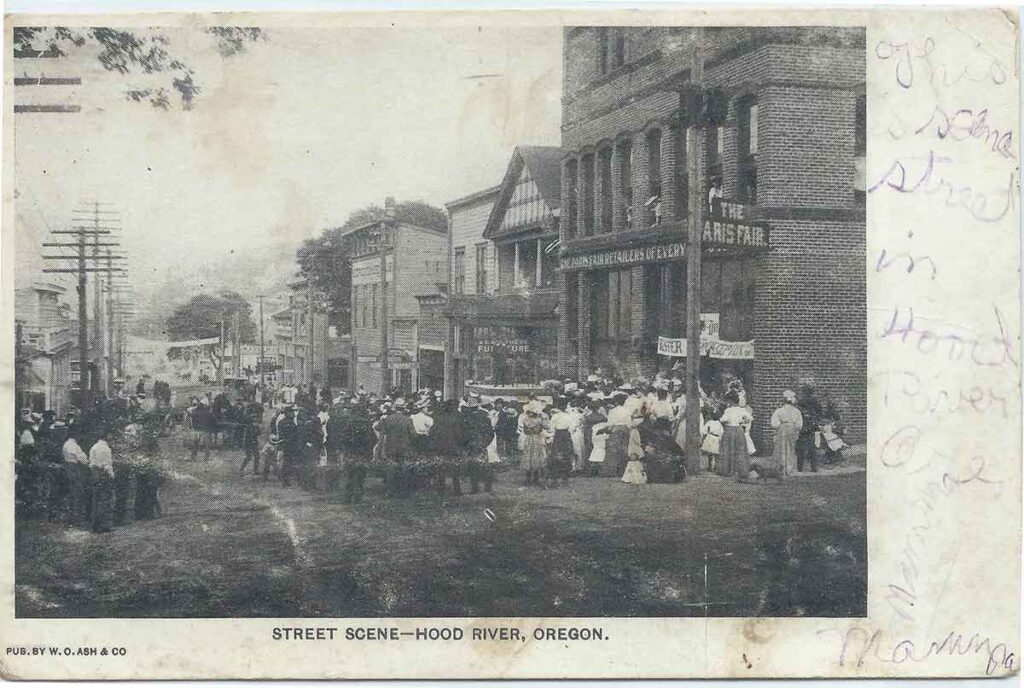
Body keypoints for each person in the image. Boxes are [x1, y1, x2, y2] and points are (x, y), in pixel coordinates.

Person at [378, 398, 417, 497]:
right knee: (404, 468)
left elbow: (382, 434)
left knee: (391, 469)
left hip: (391, 447)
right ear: (404, 408)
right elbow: (413, 435)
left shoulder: (387, 419)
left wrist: (380, 449)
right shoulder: (408, 419)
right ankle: (403, 491)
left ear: (394, 408)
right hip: (404, 447)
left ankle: (390, 491)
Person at [461, 394, 495, 494]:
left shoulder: (467, 419)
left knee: (473, 467)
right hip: (482, 444)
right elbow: (490, 433)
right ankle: (487, 487)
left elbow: (464, 433)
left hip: (472, 445)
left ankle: (474, 488)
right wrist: (486, 443)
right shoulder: (485, 417)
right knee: (485, 466)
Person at [719, 392, 753, 480]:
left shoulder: (728, 410)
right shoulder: (742, 410)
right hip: (739, 430)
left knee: (729, 449)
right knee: (740, 450)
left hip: (730, 430)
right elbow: (750, 418)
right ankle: (741, 470)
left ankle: (729, 470)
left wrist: (724, 421)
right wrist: (742, 421)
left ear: (730, 401)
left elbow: (723, 419)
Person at [62, 428, 92, 528]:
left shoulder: (66, 444)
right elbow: (82, 459)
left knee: (72, 494)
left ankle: (72, 517)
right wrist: (88, 462)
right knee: (77, 494)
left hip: (69, 468)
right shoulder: (74, 446)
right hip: (74, 469)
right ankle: (76, 519)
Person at [88, 428, 115, 534]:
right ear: (106, 436)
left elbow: (92, 464)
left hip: (95, 475)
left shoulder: (93, 447)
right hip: (104, 475)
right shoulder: (106, 448)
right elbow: (107, 465)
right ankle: (104, 526)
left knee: (96, 501)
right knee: (105, 501)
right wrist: (112, 476)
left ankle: (95, 526)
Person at [770, 389, 803, 476]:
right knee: (790, 448)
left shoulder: (779, 411)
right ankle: (789, 468)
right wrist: (795, 428)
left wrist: (779, 425)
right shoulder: (796, 411)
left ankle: (781, 468)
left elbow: (774, 423)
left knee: (781, 448)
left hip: (782, 429)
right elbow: (799, 425)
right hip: (792, 429)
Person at [518, 400, 548, 486]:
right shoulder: (533, 419)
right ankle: (532, 478)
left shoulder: (529, 419)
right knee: (532, 457)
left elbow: (545, 426)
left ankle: (532, 478)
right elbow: (528, 430)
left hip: (533, 438)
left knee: (533, 457)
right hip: (534, 438)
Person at [796, 385, 823, 473]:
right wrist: (815, 420)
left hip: (803, 427)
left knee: (801, 448)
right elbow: (820, 413)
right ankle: (814, 467)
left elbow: (799, 413)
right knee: (812, 447)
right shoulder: (815, 401)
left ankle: (800, 467)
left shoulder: (801, 401)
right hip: (812, 426)